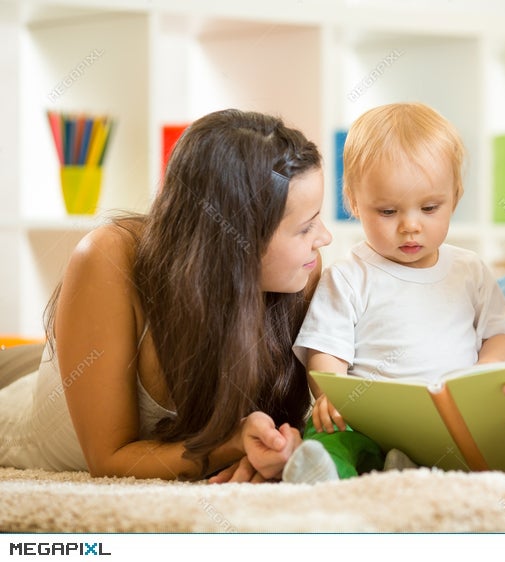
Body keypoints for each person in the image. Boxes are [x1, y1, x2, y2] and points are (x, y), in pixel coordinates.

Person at [0, 109, 333, 483]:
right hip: (18, 388)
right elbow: (108, 461)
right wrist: (231, 445)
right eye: (306, 227)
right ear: (235, 240)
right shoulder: (108, 258)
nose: (324, 239)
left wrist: (279, 446)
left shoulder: (301, 274)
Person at [288, 102, 505, 482]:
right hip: (365, 416)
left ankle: (409, 465)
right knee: (331, 435)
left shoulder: (470, 270)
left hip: (448, 418)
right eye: (388, 212)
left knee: (488, 444)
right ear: (354, 203)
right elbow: (326, 350)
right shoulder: (348, 276)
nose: (410, 226)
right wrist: (331, 392)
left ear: (455, 197)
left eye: (429, 208)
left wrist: (483, 375)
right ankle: (327, 469)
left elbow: (500, 335)